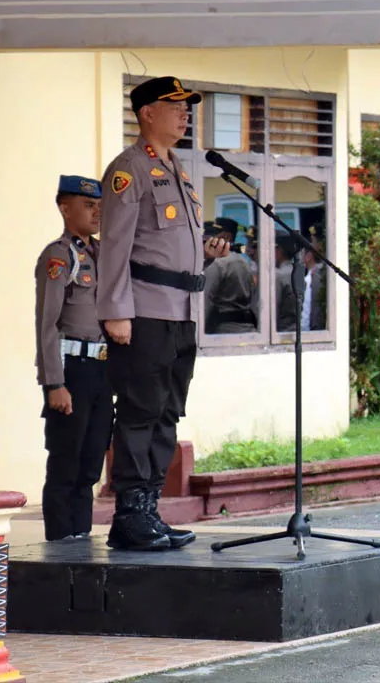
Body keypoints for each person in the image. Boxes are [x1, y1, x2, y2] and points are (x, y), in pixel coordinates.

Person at [97, 76, 231, 552]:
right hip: (143, 313)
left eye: (187, 107)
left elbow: (170, 247)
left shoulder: (179, 169)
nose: (185, 113)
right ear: (147, 113)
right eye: (175, 106)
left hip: (181, 313)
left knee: (167, 413)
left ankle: (147, 510)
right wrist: (115, 311)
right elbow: (114, 245)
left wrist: (208, 256)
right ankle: (129, 516)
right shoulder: (129, 169)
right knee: (139, 411)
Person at [34, 175, 113, 543]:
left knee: (91, 462)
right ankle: (60, 544)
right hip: (72, 371)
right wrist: (54, 383)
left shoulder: (100, 253)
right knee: (66, 462)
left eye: (99, 205)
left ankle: (80, 537)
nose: (97, 212)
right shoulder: (58, 254)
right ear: (66, 209)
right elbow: (47, 324)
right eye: (88, 205)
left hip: (100, 369)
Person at [203, 216, 258, 334]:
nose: (211, 238)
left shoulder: (217, 262)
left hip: (223, 331)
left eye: (215, 234)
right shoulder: (244, 263)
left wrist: (199, 334)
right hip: (248, 329)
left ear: (226, 237)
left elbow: (206, 301)